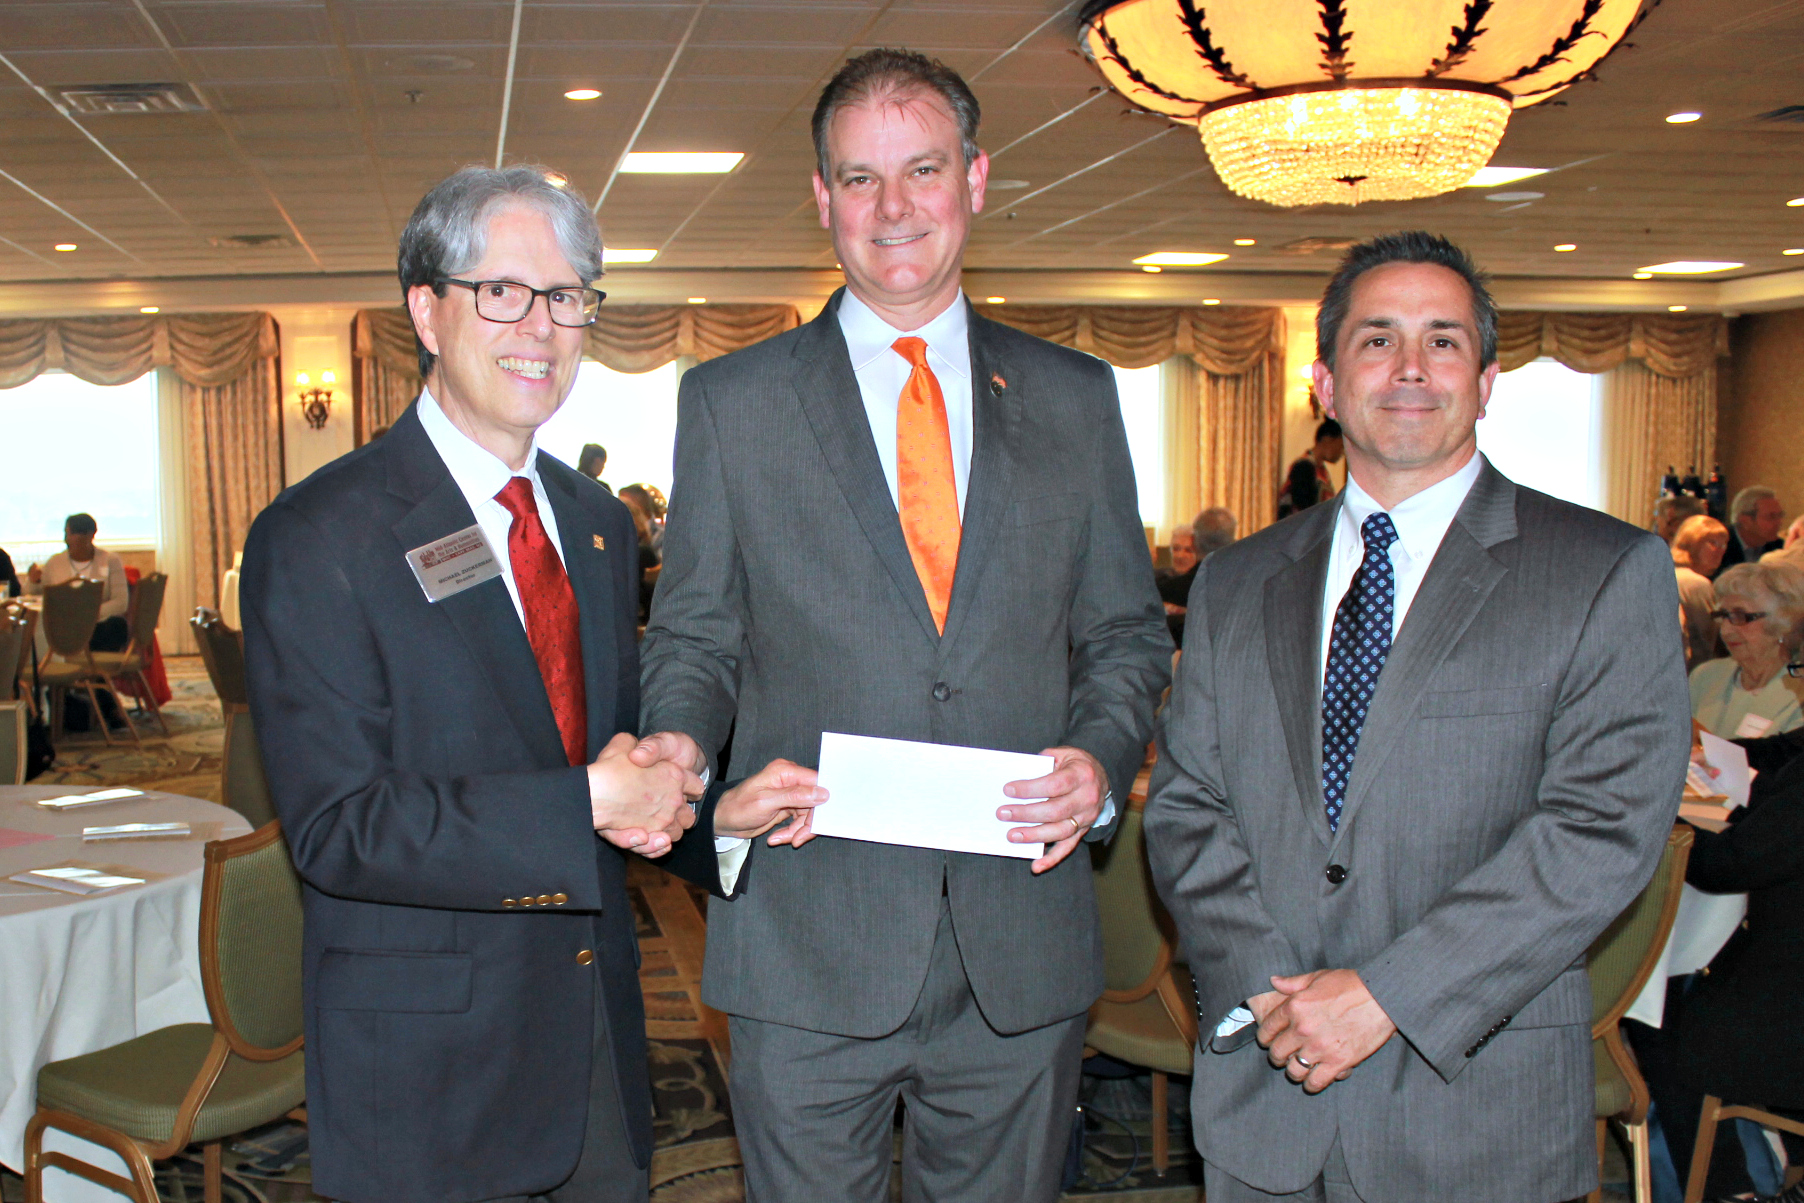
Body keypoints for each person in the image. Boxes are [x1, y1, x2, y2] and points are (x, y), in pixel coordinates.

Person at [637, 48, 1171, 1202]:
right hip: (805, 934)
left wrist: (1101, 754)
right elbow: (694, 636)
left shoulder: (1075, 399)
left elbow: (1127, 636)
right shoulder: (735, 403)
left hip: (1018, 941)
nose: (893, 208)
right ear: (822, 198)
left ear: (974, 179)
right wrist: (680, 750)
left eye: (920, 170)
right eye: (859, 178)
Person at [239, 165, 818, 1203]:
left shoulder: (593, 519)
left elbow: (604, 753)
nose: (539, 327)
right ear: (426, 308)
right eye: (501, 291)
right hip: (427, 1079)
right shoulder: (320, 534)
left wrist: (707, 811)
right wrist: (590, 800)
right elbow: (341, 828)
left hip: (595, 1046)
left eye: (567, 298)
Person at [1146, 230, 1690, 1202]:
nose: (1408, 367)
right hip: (1265, 1097)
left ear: (1484, 382)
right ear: (1322, 381)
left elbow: (1600, 830)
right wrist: (1280, 996)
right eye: (1375, 339)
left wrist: (1386, 997)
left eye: (1441, 341)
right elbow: (1188, 805)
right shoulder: (1234, 583)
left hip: (1474, 1108)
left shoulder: (1601, 571)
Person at [1689, 561, 1804, 739]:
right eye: (1723, 616)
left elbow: (1787, 761)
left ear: (1783, 621)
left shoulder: (1799, 688)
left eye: (1740, 616)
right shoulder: (1705, 676)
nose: (1725, 630)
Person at [25, 513, 130, 650]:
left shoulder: (110, 560)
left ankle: (94, 667)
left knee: (117, 625)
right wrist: (33, 581)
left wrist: (87, 615)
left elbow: (121, 602)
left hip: (97, 624)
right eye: (66, 534)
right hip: (64, 628)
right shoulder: (55, 562)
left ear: (90, 535)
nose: (67, 540)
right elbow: (30, 594)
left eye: (72, 534)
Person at [1161, 507, 1238, 649]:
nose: (1180, 556)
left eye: (1187, 550)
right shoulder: (1250, 585)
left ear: (1194, 543)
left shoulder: (1167, 591)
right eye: (1176, 548)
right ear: (1234, 541)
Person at [1673, 514, 1729, 669]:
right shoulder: (1695, 584)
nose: (1720, 551)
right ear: (1691, 542)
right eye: (1713, 543)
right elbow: (1710, 641)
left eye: (1724, 545)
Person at [1276, 418, 1344, 519]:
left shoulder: (1321, 471)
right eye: (1341, 446)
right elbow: (1303, 509)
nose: (1342, 452)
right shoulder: (1304, 467)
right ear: (1327, 439)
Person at [1719, 486, 1784, 572]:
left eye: (1780, 515)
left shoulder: (1779, 548)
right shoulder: (1720, 547)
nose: (1779, 522)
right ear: (1745, 520)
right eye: (1771, 517)